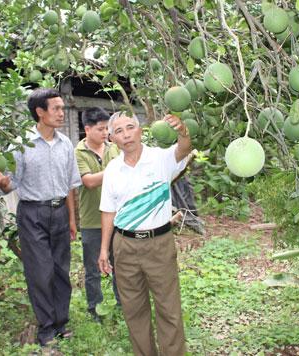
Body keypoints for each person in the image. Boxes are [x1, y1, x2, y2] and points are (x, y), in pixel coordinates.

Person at [98, 111, 191, 356]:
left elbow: (183, 149)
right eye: (119, 131)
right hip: (124, 246)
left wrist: (183, 132)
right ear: (111, 138)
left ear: (140, 130)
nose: (126, 134)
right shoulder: (112, 170)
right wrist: (104, 250)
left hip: (158, 243)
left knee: (168, 310)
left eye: (130, 127)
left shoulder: (160, 158)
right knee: (134, 311)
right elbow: (108, 211)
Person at [0, 88, 81, 346]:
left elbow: (70, 186)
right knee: (41, 273)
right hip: (33, 213)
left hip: (60, 212)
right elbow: (10, 184)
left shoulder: (65, 144)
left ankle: (61, 323)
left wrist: (72, 220)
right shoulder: (21, 143)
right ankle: (46, 329)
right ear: (40, 112)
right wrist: (2, 183)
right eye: (56, 108)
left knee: (61, 271)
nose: (62, 113)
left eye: (62, 108)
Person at [75, 107, 121, 323]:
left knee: (120, 265)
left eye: (107, 129)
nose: (105, 133)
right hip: (92, 220)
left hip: (119, 218)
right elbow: (89, 182)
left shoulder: (114, 148)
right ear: (87, 129)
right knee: (93, 268)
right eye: (101, 129)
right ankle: (95, 309)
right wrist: (115, 169)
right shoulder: (78, 153)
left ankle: (123, 305)